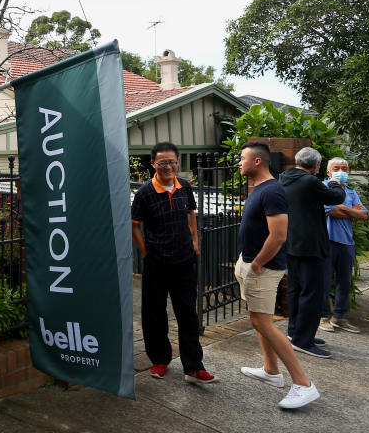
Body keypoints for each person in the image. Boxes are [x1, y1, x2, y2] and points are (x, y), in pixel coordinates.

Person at [236, 141, 319, 409]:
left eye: (242, 158)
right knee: (260, 320)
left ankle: (303, 384)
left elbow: (279, 235)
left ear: (257, 161)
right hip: (249, 262)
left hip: (263, 268)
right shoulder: (260, 188)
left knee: (263, 323)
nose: (239, 162)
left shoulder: (272, 191)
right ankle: (271, 371)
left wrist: (258, 263)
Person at [131, 141, 216, 384]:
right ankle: (159, 359)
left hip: (184, 260)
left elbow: (191, 213)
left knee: (187, 312)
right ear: (153, 164)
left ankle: (193, 366)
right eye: (162, 162)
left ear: (177, 162)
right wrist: (146, 253)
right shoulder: (145, 192)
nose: (167, 166)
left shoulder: (185, 187)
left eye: (171, 162)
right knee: (154, 312)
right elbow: (134, 225)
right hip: (156, 262)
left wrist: (195, 243)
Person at [279, 147, 346, 358]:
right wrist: (336, 182)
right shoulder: (309, 181)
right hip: (311, 246)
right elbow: (335, 197)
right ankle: (303, 340)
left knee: (296, 290)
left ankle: (295, 332)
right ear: (316, 166)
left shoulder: (284, 178)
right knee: (312, 293)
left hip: (292, 244)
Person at [320, 157, 368, 333]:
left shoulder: (351, 191)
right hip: (328, 240)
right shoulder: (323, 188)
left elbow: (364, 215)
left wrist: (343, 208)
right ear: (328, 172)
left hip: (347, 242)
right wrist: (352, 211)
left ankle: (338, 317)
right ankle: (322, 317)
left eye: (344, 168)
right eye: (337, 168)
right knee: (324, 280)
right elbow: (330, 211)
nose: (341, 171)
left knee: (344, 282)